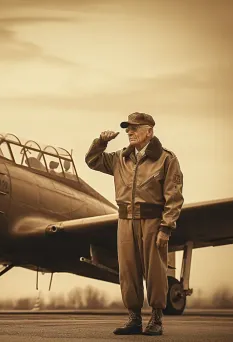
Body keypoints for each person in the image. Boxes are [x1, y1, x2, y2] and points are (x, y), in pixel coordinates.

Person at [85, 112, 184, 336]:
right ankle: (134, 318)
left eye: (135, 128)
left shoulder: (167, 159)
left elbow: (174, 197)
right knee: (128, 271)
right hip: (125, 221)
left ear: (149, 131)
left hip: (152, 220)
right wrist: (101, 142)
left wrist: (166, 227)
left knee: (155, 271)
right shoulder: (119, 158)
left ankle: (157, 318)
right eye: (128, 128)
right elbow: (92, 161)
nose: (130, 132)